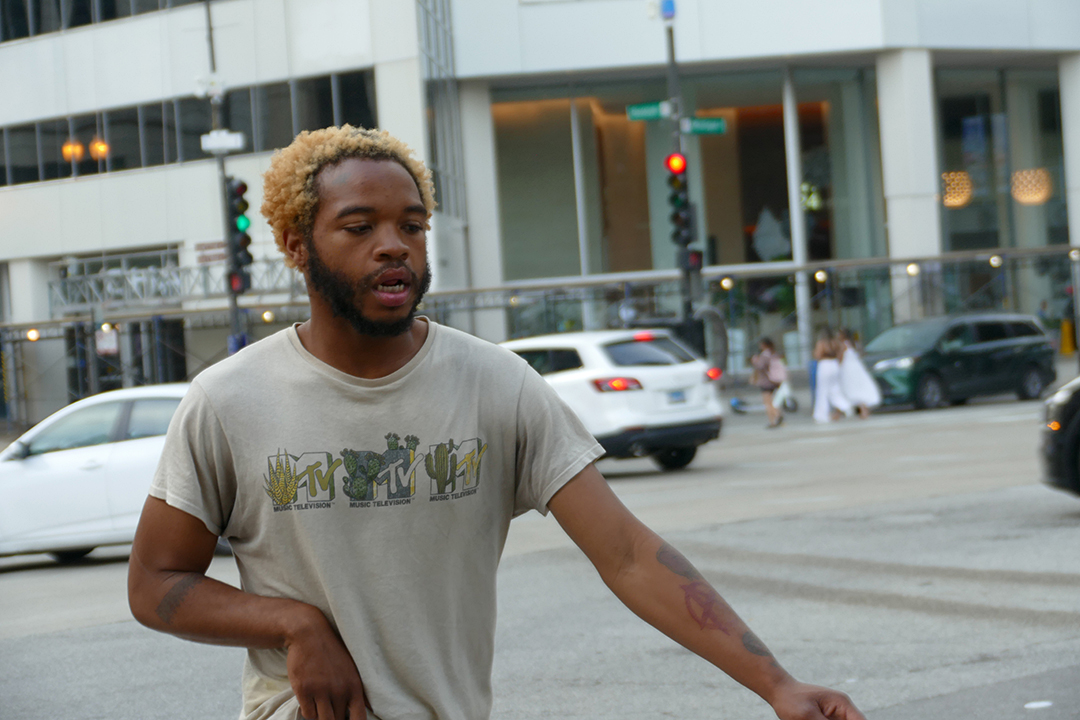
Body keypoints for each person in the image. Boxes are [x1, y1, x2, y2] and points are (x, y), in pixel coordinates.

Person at [127, 125, 867, 720]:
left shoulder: (496, 384)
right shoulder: (230, 400)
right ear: (296, 245)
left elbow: (628, 554)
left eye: (411, 225)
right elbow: (156, 580)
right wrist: (293, 624)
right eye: (359, 226)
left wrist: (776, 684)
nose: (394, 244)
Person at [836, 328, 881, 419]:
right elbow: (861, 354)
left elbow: (840, 357)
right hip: (857, 369)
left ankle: (839, 413)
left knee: (849, 389)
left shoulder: (843, 344)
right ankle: (864, 411)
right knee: (858, 389)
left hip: (848, 370)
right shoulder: (854, 344)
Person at [812, 328, 853, 424]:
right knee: (834, 388)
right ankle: (845, 405)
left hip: (824, 364)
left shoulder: (821, 343)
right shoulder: (836, 342)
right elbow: (842, 352)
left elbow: (817, 355)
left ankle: (821, 414)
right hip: (834, 364)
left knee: (822, 391)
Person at [750, 336, 787, 429]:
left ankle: (774, 419)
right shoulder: (774, 354)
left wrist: (755, 361)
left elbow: (760, 366)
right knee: (772, 400)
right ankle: (777, 415)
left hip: (766, 381)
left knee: (767, 402)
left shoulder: (764, 355)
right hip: (774, 381)